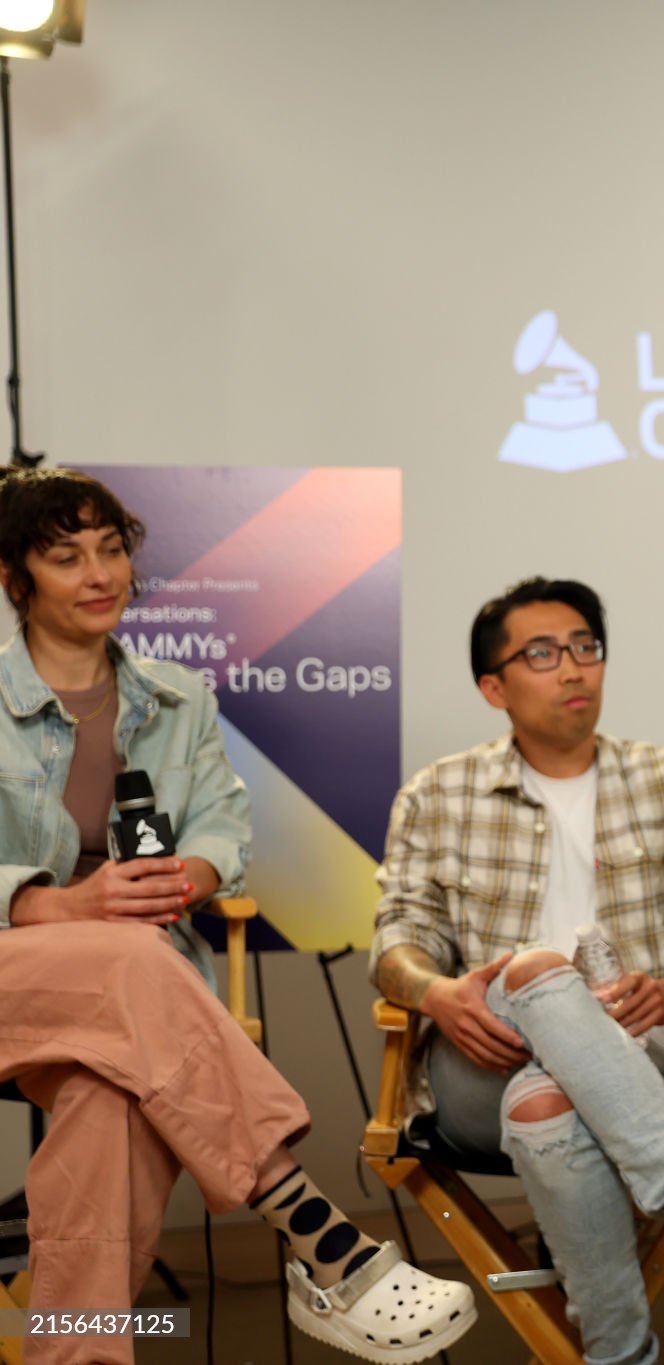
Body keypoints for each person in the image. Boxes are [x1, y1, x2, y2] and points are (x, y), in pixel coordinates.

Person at [0, 466, 476, 1365]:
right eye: (68, 556)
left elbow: (224, 821)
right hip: (22, 970)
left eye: (112, 550)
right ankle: (317, 1230)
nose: (101, 573)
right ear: (13, 578)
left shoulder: (180, 699)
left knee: (111, 1104)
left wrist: (194, 871)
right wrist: (54, 902)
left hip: (128, 1005)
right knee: (135, 961)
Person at [370, 576, 664, 1365]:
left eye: (586, 647)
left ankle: (620, 1356)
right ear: (494, 685)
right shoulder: (438, 793)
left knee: (547, 1102)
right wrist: (439, 992)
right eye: (543, 653)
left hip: (637, 1048)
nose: (574, 668)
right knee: (533, 971)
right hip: (481, 1057)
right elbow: (396, 943)